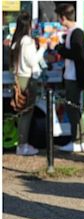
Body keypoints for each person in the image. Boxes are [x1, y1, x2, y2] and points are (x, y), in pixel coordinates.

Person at [52, 4, 84, 152]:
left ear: (63, 17)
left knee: (72, 109)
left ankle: (76, 140)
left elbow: (77, 54)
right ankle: (81, 139)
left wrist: (59, 48)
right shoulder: (73, 33)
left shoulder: (76, 33)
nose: (59, 21)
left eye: (59, 18)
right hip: (71, 75)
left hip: (74, 77)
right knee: (73, 109)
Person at [10, 11, 47, 156]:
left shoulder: (16, 41)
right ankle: (23, 144)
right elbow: (32, 61)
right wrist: (43, 48)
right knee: (27, 113)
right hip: (28, 79)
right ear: (28, 26)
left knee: (21, 112)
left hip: (19, 78)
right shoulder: (28, 41)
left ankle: (22, 143)